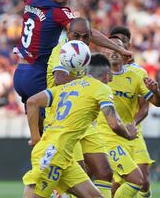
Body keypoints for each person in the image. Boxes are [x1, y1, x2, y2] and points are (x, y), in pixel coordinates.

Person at [13, 0, 131, 120]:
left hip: (20, 73)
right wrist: (120, 49)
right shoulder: (58, 12)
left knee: (39, 132)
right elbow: (88, 32)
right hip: (36, 74)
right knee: (54, 126)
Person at [23, 54, 137, 198]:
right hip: (54, 154)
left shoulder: (67, 87)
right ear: (107, 74)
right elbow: (114, 124)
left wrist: (35, 139)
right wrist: (129, 133)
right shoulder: (101, 88)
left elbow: (32, 102)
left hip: (64, 157)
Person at [24, 17, 113, 198]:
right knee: (73, 172)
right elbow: (60, 79)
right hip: (61, 125)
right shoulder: (62, 52)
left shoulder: (84, 56)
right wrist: (90, 86)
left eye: (85, 37)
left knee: (104, 171)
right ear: (67, 34)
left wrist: (119, 50)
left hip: (83, 122)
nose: (80, 41)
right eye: (76, 36)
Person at [97, 37, 160, 198]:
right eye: (110, 48)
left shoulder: (134, 76)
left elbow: (157, 103)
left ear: (124, 52)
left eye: (118, 47)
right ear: (104, 51)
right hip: (105, 137)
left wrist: (155, 90)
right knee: (131, 180)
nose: (114, 51)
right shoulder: (97, 76)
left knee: (139, 180)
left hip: (129, 134)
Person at [109, 26, 155, 197]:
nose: (117, 48)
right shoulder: (99, 73)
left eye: (121, 43)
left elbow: (147, 105)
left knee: (143, 178)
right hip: (108, 134)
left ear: (127, 44)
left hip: (133, 131)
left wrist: (133, 123)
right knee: (115, 182)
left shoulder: (138, 72)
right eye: (112, 44)